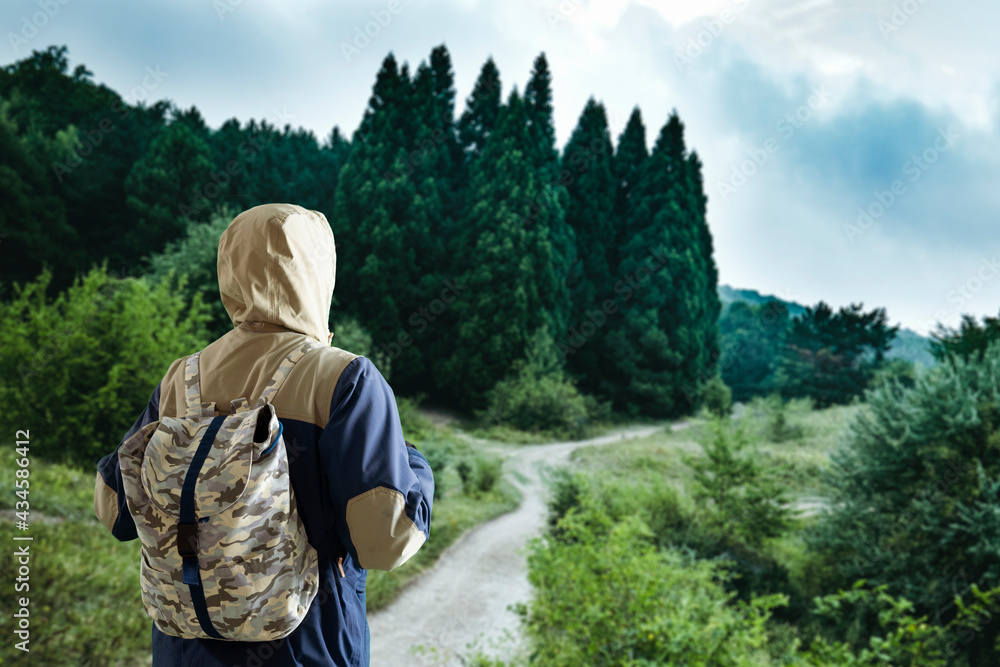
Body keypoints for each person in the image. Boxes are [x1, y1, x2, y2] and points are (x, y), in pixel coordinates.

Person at [94, 202, 434, 666]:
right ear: (320, 273)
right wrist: (415, 465)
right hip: (304, 647)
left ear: (230, 268)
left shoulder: (182, 377)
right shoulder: (345, 377)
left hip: (183, 650)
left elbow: (114, 511)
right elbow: (383, 540)